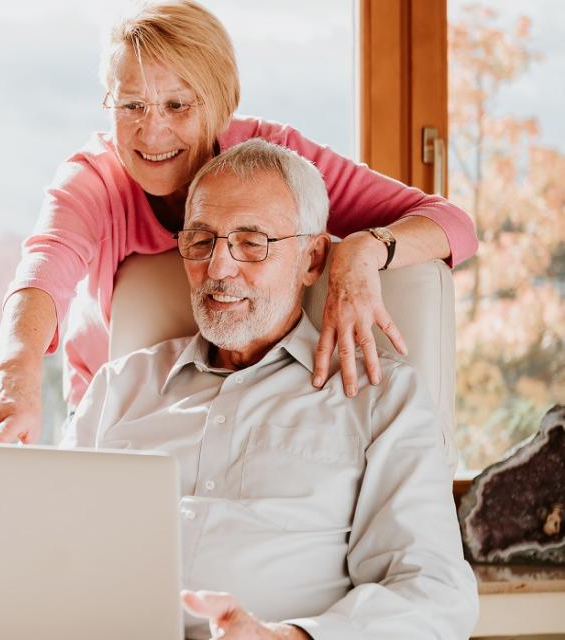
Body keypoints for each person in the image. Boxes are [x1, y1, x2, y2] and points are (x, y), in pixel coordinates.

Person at [0, 0, 477, 444]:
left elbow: (451, 223)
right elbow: (43, 269)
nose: (152, 131)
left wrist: (363, 250)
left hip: (254, 398)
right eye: (131, 105)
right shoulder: (94, 179)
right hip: (124, 418)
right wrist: (15, 371)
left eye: (177, 104)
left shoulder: (272, 165)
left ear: (222, 105)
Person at [60, 139, 479, 639]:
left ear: (312, 259)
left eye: (252, 242)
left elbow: (434, 593)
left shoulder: (380, 399)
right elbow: (46, 545)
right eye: (200, 240)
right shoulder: (119, 388)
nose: (218, 269)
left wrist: (288, 638)